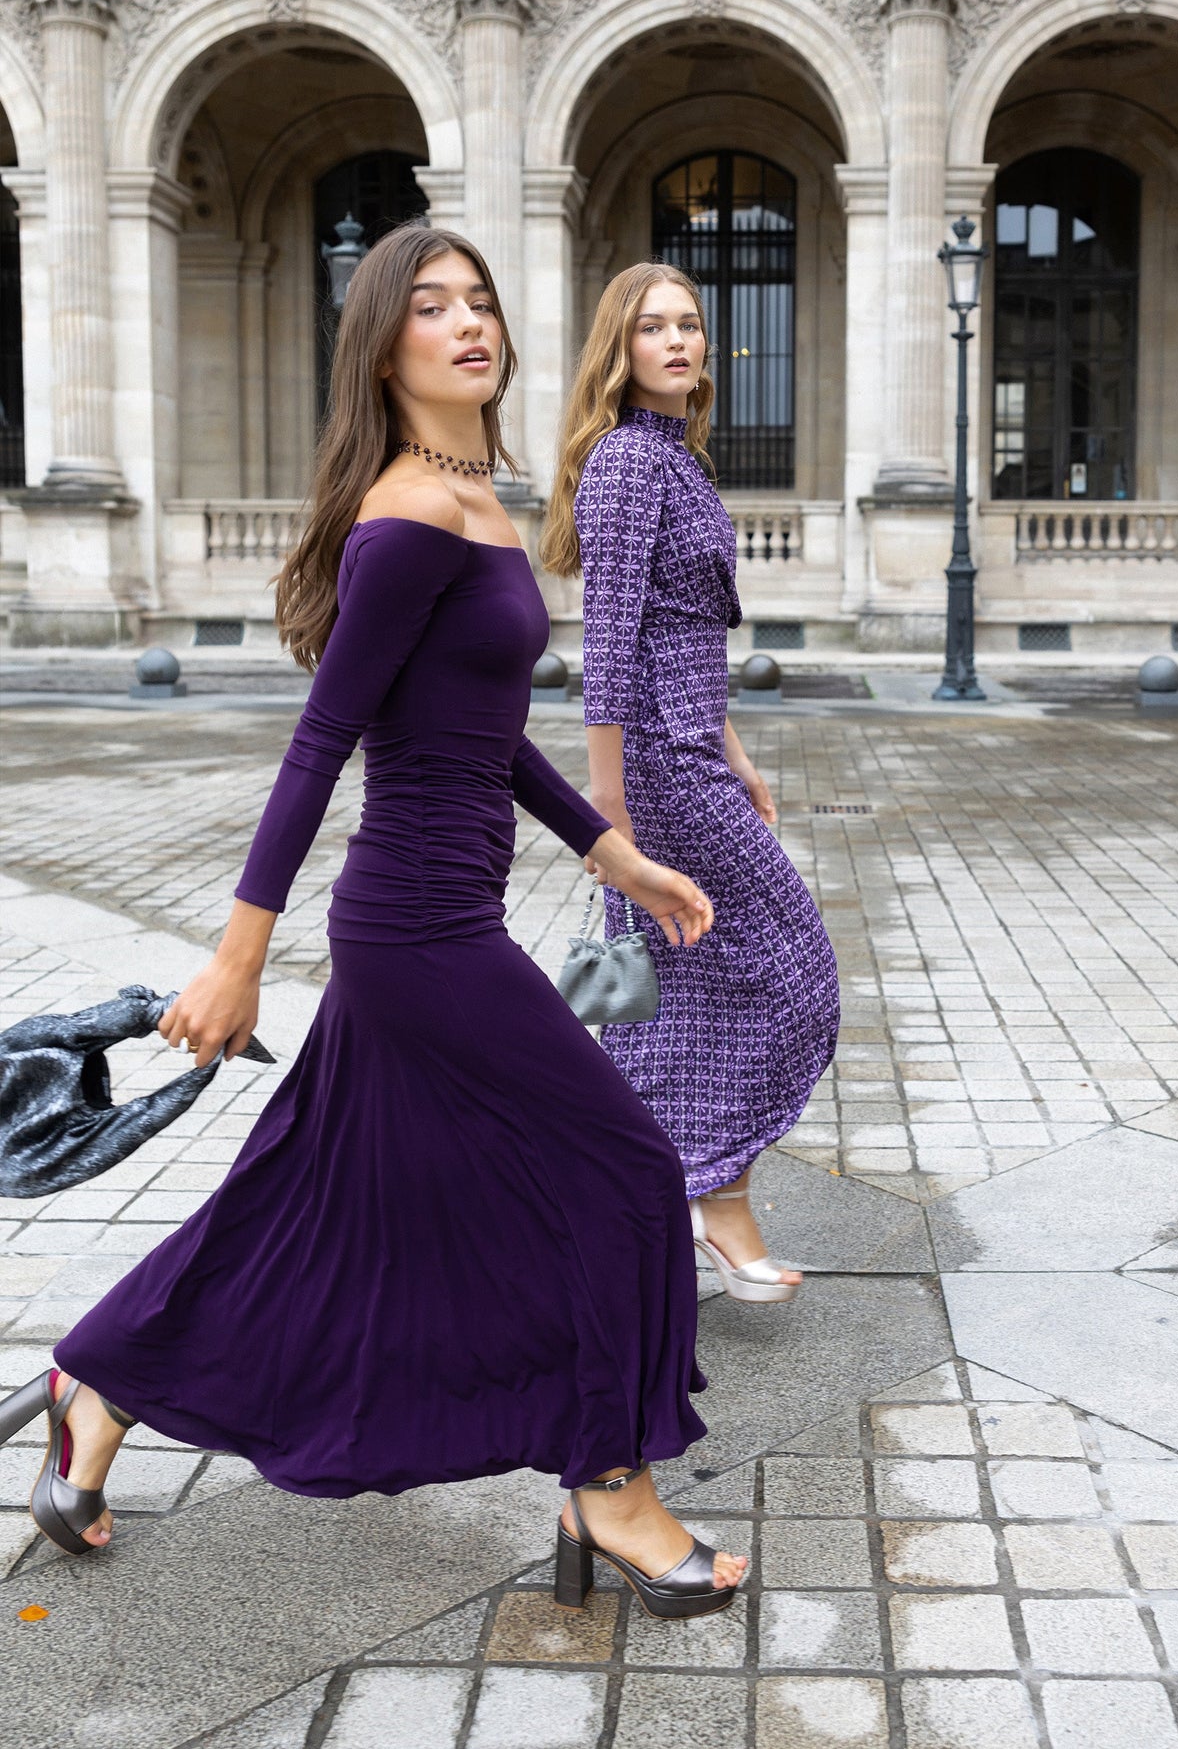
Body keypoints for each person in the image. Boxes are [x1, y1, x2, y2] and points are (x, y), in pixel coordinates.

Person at [0, 225, 746, 1619]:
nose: (469, 325)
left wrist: (616, 852)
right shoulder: (409, 514)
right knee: (628, 1173)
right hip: (415, 935)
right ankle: (611, 1484)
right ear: (382, 344)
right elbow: (321, 739)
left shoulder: (481, 500)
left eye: (480, 303)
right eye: (431, 307)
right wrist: (237, 956)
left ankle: (96, 1380)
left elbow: (486, 735)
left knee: (308, 1207)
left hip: (438, 916)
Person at [540, 264, 840, 1303]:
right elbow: (610, 645)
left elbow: (687, 636)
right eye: (651, 327)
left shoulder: (680, 461)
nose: (676, 341)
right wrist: (607, 814)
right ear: (617, 351)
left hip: (695, 753)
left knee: (686, 996)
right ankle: (714, 1202)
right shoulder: (627, 461)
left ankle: (653, 1203)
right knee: (792, 967)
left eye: (689, 324)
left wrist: (738, 749)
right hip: (659, 775)